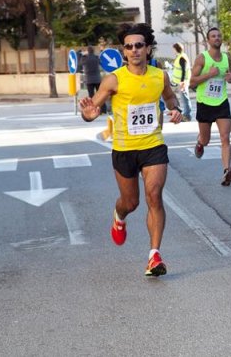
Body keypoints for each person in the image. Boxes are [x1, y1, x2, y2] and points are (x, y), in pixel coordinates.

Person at [78, 23, 183, 276]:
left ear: (148, 49)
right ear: (123, 51)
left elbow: (169, 96)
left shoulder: (160, 76)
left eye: (139, 45)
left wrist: (175, 109)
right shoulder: (114, 79)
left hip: (153, 146)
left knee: (154, 195)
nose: (134, 50)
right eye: (129, 46)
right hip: (124, 150)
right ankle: (119, 215)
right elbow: (93, 109)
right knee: (131, 202)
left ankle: (154, 256)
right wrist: (89, 114)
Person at [190, 27, 231, 186]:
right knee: (206, 139)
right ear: (208, 41)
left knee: (225, 137)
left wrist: (230, 78)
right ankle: (199, 142)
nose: (217, 38)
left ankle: (226, 171)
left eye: (219, 36)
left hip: (221, 102)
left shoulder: (226, 58)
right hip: (204, 103)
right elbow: (192, 82)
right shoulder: (202, 58)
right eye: (213, 36)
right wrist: (209, 74)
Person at [80, 46, 107, 114]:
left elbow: (80, 63)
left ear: (88, 51)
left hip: (89, 80)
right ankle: (103, 110)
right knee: (101, 95)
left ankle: (94, 110)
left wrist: (83, 54)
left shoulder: (85, 58)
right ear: (93, 51)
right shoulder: (96, 57)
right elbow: (101, 62)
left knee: (91, 96)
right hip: (97, 79)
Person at [171, 42, 193, 122]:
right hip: (178, 82)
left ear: (176, 49)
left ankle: (187, 116)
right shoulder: (180, 56)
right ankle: (180, 112)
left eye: (173, 49)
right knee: (174, 96)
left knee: (185, 99)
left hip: (182, 83)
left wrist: (182, 82)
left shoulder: (182, 58)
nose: (173, 50)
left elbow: (183, 70)